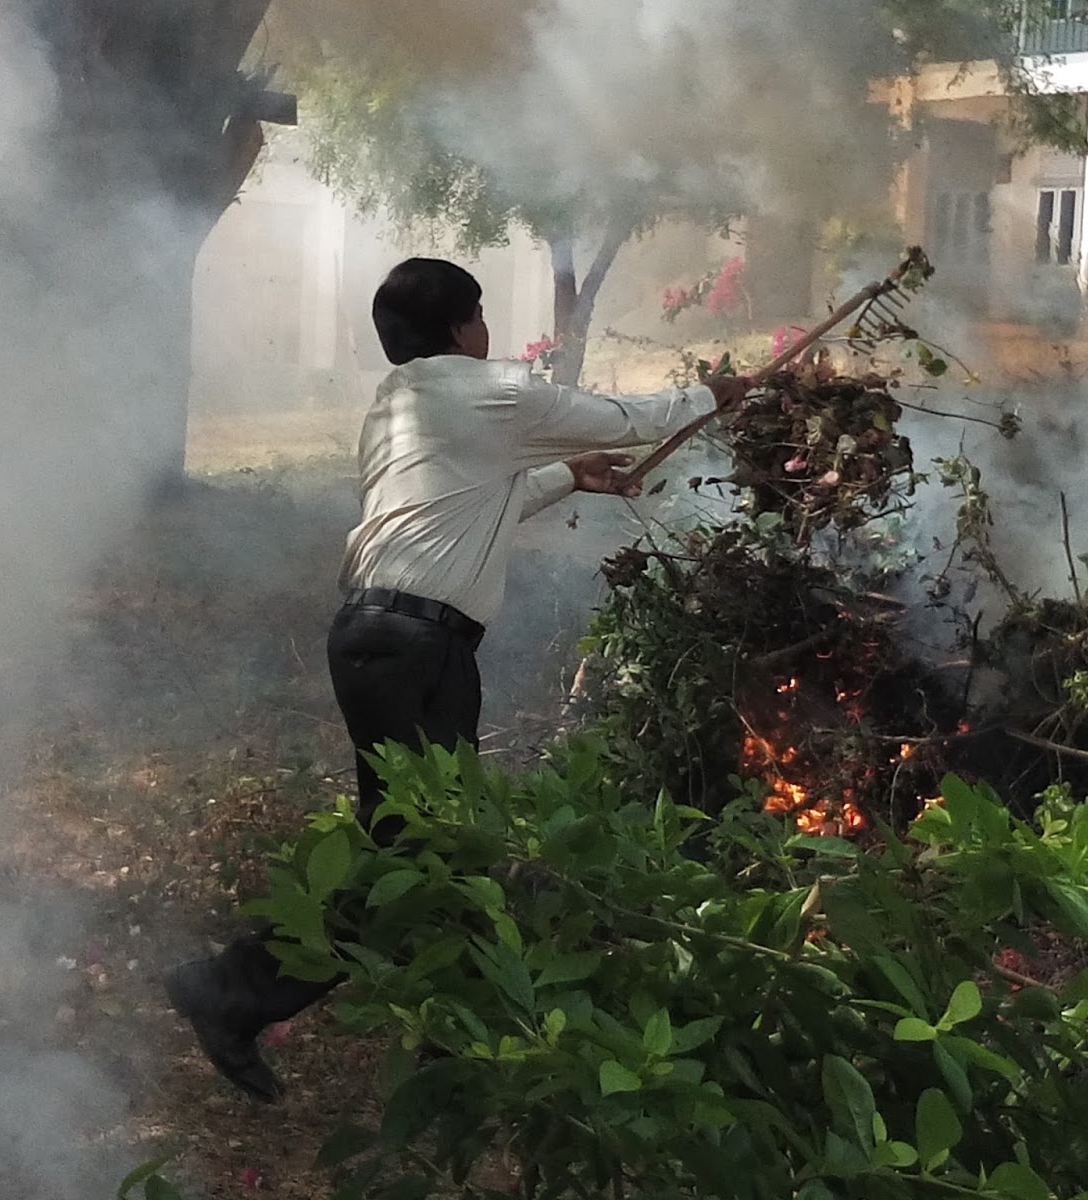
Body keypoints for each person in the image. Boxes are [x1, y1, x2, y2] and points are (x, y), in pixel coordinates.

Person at [165, 257, 747, 1101]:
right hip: (415, 648)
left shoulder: (402, 404)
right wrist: (713, 397)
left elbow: (462, 506)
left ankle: (462, 1026)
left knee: (428, 839)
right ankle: (231, 992)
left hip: (382, 637)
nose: (487, 331)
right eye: (479, 315)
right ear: (463, 326)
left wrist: (564, 477)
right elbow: (624, 416)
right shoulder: (490, 393)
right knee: (420, 845)